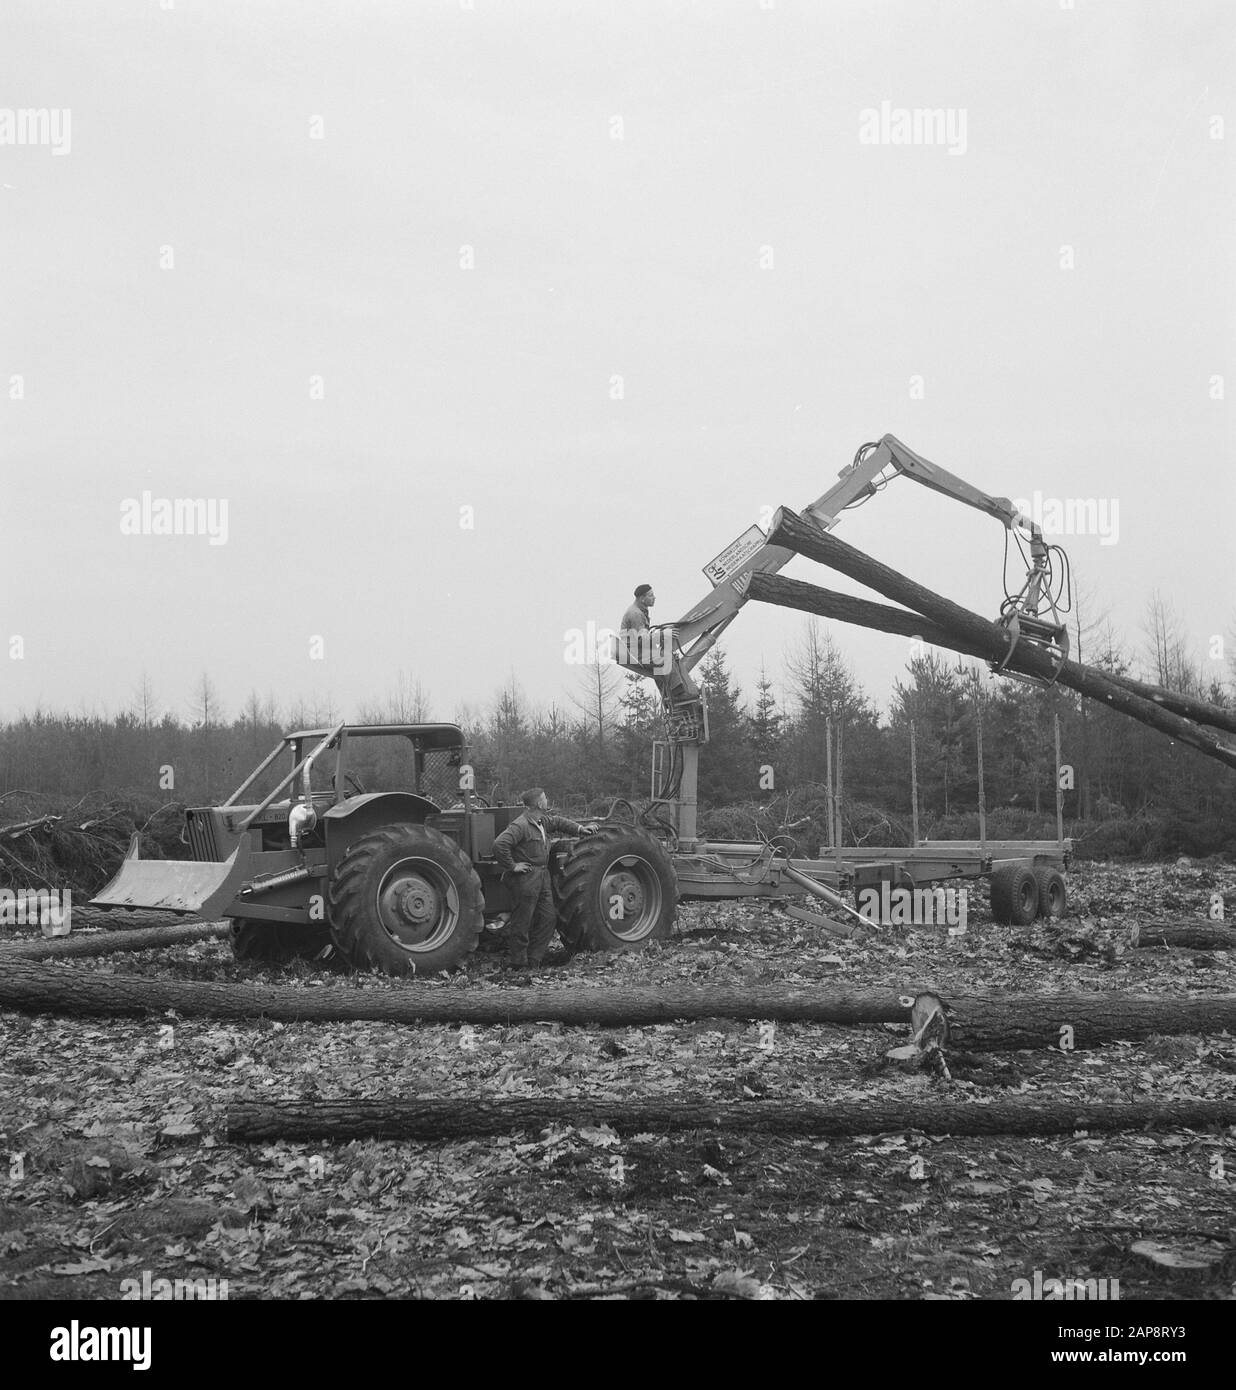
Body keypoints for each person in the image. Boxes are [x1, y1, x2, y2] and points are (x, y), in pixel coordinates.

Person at [492, 789, 597, 971]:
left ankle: (534, 959)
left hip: (543, 877)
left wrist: (580, 829)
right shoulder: (521, 825)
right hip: (526, 879)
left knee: (549, 918)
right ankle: (518, 962)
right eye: (545, 798)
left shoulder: (542, 821)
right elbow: (499, 844)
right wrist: (513, 866)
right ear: (539, 804)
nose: (547, 800)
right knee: (522, 921)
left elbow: (558, 822)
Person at [618, 583, 660, 671]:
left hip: (637, 650)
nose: (654, 597)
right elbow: (642, 640)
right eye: (651, 595)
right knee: (668, 658)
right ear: (642, 599)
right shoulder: (636, 614)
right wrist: (661, 636)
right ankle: (678, 685)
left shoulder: (639, 611)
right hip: (637, 653)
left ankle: (670, 684)